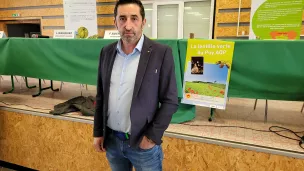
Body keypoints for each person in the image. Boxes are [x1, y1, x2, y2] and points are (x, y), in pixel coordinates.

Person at [93, 0, 179, 170]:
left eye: (134, 18)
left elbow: (170, 101)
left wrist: (151, 138)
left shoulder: (161, 53)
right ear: (115, 22)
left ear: (143, 22)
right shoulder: (107, 52)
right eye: (122, 19)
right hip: (112, 143)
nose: (128, 25)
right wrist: (98, 132)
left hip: (143, 146)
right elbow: (101, 96)